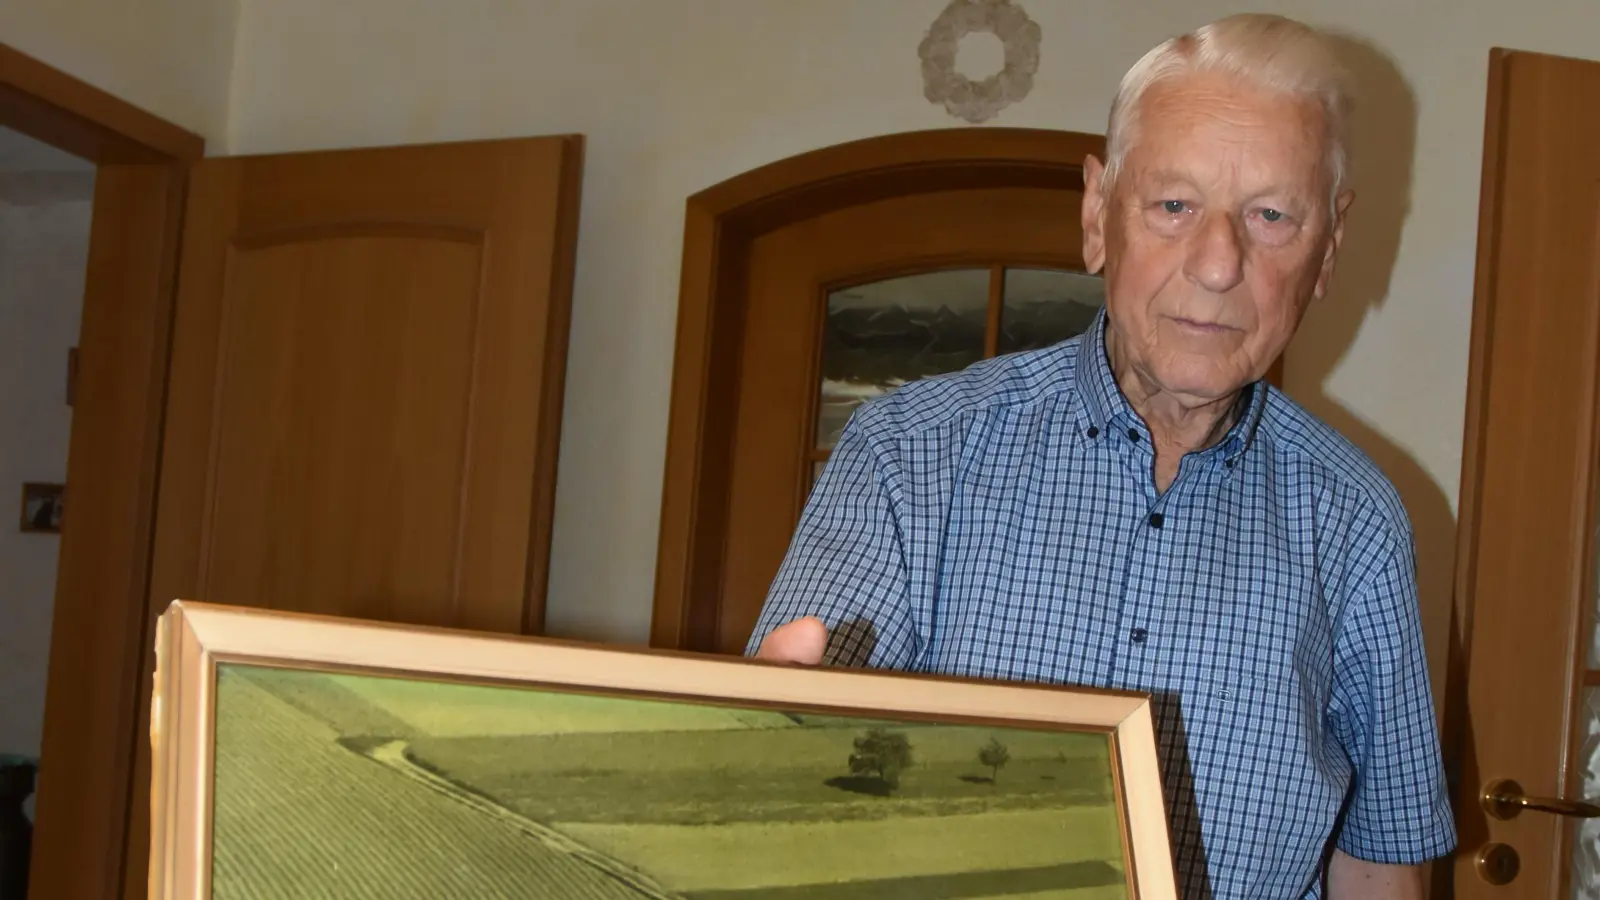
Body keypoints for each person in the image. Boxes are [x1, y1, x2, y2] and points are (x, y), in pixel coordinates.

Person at [745, 12, 1455, 900]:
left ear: (1327, 252)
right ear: (1096, 215)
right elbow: (791, 783)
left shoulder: (1359, 522)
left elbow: (1380, 855)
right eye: (1174, 205)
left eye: (1271, 216)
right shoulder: (908, 455)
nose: (1218, 262)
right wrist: (765, 745)